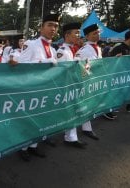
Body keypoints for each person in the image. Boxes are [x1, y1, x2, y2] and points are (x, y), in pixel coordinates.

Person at [16, 14, 61, 161]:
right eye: (49, 25)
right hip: (30, 89)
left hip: (45, 90)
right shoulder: (31, 43)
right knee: (28, 120)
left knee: (41, 119)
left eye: (55, 26)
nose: (53, 28)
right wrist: (44, 62)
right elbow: (21, 65)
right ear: (41, 27)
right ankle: (22, 148)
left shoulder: (54, 49)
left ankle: (34, 146)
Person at [56, 22, 87, 149]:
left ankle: (71, 137)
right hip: (66, 87)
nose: (79, 35)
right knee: (66, 112)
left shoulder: (72, 49)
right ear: (67, 35)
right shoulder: (63, 51)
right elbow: (62, 73)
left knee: (72, 111)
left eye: (79, 32)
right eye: (76, 32)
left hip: (73, 86)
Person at [75, 23, 101, 140]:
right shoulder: (84, 50)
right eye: (94, 33)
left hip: (93, 81)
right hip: (84, 81)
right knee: (80, 105)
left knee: (88, 105)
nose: (97, 35)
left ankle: (87, 128)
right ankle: (73, 132)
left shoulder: (98, 48)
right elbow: (79, 67)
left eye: (98, 32)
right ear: (87, 36)